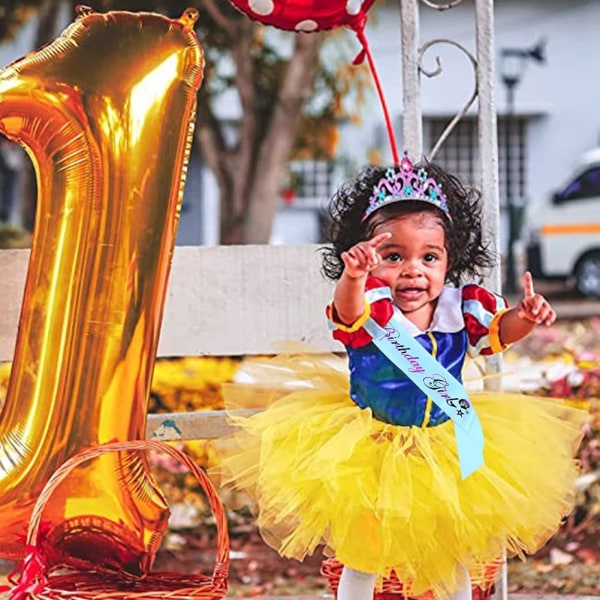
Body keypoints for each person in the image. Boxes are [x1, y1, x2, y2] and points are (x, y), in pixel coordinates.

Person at [215, 155, 586, 600]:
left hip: (442, 444)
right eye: (393, 256)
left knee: (448, 550)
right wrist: (353, 277)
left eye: (429, 257)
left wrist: (524, 317)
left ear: (450, 262)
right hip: (371, 448)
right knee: (365, 552)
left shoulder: (460, 307)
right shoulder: (369, 307)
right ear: (368, 260)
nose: (413, 269)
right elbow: (348, 313)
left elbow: (496, 337)